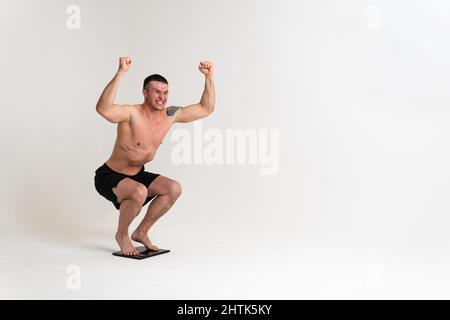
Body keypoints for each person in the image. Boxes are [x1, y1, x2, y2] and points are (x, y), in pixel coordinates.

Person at [94, 57, 215, 256]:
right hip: (109, 176)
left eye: (165, 92)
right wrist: (120, 73)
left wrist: (209, 77)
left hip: (137, 174)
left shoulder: (170, 115)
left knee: (173, 188)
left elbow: (206, 108)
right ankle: (122, 235)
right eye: (157, 92)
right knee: (139, 192)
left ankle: (141, 231)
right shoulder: (131, 113)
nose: (162, 97)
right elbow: (103, 109)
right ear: (145, 93)